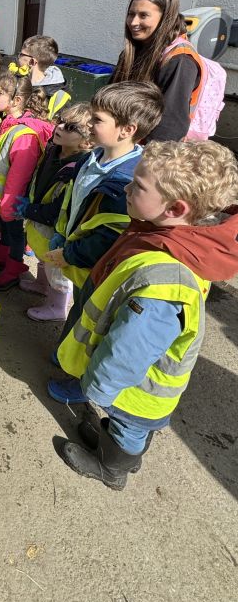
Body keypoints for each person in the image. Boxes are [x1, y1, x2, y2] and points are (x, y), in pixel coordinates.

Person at [56, 140, 238, 490]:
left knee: (129, 426)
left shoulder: (165, 282)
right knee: (130, 427)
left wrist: (100, 386)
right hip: (138, 383)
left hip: (138, 389)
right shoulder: (179, 239)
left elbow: (130, 350)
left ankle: (112, 467)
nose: (126, 188)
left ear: (175, 208)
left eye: (137, 186)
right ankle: (121, 447)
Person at [44, 81, 164, 403]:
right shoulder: (94, 156)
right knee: (79, 308)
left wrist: (70, 253)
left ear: (126, 130)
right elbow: (75, 202)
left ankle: (80, 378)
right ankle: (66, 351)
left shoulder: (128, 180)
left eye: (97, 120)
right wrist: (63, 233)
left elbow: (106, 237)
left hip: (100, 266)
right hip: (82, 259)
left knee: (94, 322)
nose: (89, 124)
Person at [14, 103, 94, 321]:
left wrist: (30, 210)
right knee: (41, 254)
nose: (59, 127)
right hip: (38, 217)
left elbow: (60, 208)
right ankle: (41, 284)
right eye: (61, 121)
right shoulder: (53, 150)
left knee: (56, 269)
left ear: (87, 142)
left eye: (70, 127)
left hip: (54, 226)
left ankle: (57, 306)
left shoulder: (78, 168)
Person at [0, 68, 54, 291]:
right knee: (7, 230)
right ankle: (2, 258)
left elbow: (19, 177)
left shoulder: (24, 135)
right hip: (5, 199)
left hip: (13, 200)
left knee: (15, 233)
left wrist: (9, 204)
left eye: (0, 93)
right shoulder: (10, 123)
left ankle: (13, 268)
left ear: (17, 100)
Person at [110, 0, 204, 141]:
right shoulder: (133, 51)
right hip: (119, 144)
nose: (133, 22)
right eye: (131, 14)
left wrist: (145, 156)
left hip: (147, 151)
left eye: (143, 15)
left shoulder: (180, 60)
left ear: (165, 18)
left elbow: (169, 127)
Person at [16, 35, 70, 119]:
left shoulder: (58, 97)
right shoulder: (17, 81)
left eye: (21, 54)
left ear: (32, 62)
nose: (18, 57)